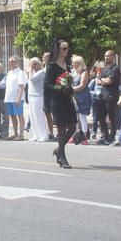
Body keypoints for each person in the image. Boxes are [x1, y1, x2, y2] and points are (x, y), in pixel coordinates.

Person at [45, 40, 76, 168]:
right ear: (57, 50)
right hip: (57, 100)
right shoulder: (52, 65)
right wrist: (59, 88)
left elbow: (68, 80)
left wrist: (69, 87)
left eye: (67, 48)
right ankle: (62, 158)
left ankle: (58, 149)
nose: (66, 50)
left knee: (73, 127)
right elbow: (47, 84)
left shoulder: (67, 65)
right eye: (63, 48)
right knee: (62, 129)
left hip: (67, 99)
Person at [97, 50, 120, 144]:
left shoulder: (115, 68)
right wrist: (103, 80)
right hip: (102, 95)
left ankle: (112, 136)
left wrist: (103, 80)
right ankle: (104, 135)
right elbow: (98, 80)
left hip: (111, 95)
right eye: (105, 56)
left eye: (108, 56)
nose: (106, 58)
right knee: (101, 116)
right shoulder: (104, 68)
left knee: (111, 117)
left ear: (113, 57)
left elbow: (109, 81)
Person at [5, 56, 27, 140]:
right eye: (10, 61)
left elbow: (21, 86)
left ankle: (21, 134)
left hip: (17, 98)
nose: (10, 63)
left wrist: (18, 98)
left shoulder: (20, 73)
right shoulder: (10, 73)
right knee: (12, 116)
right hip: (9, 98)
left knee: (20, 115)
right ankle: (15, 133)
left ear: (17, 62)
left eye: (13, 61)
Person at [26, 57, 47, 142]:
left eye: (35, 63)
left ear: (39, 64)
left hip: (38, 96)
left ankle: (44, 135)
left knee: (39, 116)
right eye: (32, 64)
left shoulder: (41, 72)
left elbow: (32, 79)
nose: (33, 66)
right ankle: (36, 134)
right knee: (32, 117)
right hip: (31, 96)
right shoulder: (32, 72)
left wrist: (30, 71)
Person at [71, 56, 91, 144]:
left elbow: (82, 85)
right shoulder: (74, 73)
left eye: (74, 62)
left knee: (82, 117)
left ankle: (84, 137)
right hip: (75, 97)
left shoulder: (84, 73)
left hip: (83, 97)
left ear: (79, 63)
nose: (72, 64)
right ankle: (75, 136)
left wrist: (71, 89)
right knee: (75, 118)